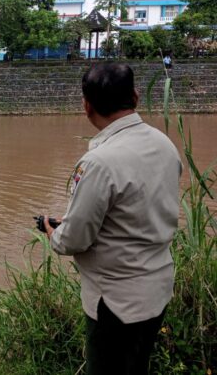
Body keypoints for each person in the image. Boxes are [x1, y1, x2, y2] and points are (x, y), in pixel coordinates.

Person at [43, 62, 181, 375]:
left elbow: (76, 238)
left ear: (86, 106)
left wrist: (55, 234)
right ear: (135, 96)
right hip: (157, 290)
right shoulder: (164, 145)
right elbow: (138, 212)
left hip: (116, 303)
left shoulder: (99, 162)